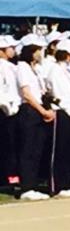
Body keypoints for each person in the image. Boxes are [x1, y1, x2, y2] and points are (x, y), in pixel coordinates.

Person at [16, 35, 55, 201]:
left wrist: (47, 108)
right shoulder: (22, 67)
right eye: (38, 50)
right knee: (28, 148)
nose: (41, 53)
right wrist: (41, 110)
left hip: (39, 110)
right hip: (29, 110)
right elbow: (27, 93)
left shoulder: (36, 69)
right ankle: (26, 186)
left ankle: (33, 183)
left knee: (37, 148)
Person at [46, 39, 70, 197]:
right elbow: (60, 96)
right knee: (59, 150)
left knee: (69, 149)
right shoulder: (55, 71)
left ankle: (67, 182)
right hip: (62, 113)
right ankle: (57, 185)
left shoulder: (68, 72)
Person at [0, 35, 21, 186]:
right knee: (5, 144)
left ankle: (11, 173)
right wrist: (6, 105)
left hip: (14, 109)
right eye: (10, 48)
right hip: (4, 110)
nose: (13, 50)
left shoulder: (13, 67)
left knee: (13, 144)